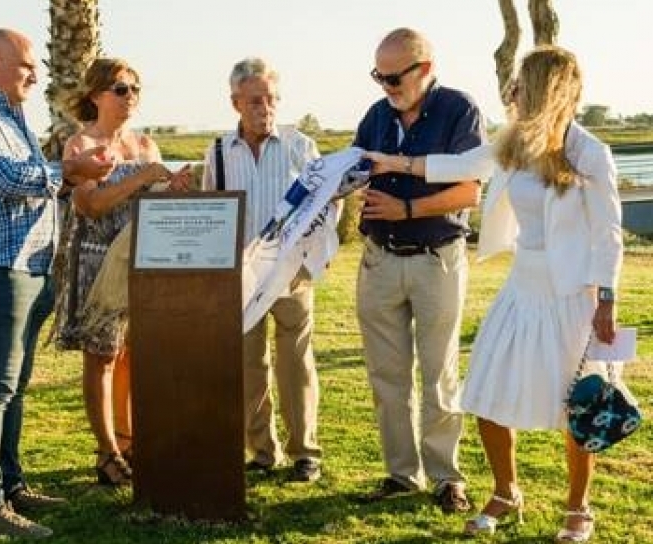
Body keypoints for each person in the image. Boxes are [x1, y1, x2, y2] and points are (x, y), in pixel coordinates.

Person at [365, 45, 622, 543]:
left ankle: (579, 508)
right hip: (521, 289)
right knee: (486, 393)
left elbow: (608, 233)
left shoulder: (589, 152)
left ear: (545, 88)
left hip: (573, 295)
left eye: (521, 83)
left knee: (579, 406)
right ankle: (506, 492)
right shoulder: (512, 143)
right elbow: (456, 164)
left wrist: (607, 300)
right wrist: (393, 161)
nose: (512, 91)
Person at [0, 29, 114, 538]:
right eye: (27, 66)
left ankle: (11, 486)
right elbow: (8, 179)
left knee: (11, 391)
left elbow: (31, 185)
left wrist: (67, 176)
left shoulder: (10, 118)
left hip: (27, 271)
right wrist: (70, 170)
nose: (36, 76)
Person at [350, 27, 484, 512]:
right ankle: (402, 475)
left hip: (436, 259)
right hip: (378, 260)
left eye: (393, 78)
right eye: (379, 77)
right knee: (387, 377)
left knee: (439, 372)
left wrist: (406, 210)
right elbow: (355, 168)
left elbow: (470, 190)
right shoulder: (376, 115)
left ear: (424, 69)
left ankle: (447, 478)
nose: (385, 87)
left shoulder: (459, 110)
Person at [53, 58, 191, 486]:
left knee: (134, 355)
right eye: (120, 88)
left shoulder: (146, 145)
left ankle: (131, 442)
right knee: (102, 357)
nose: (130, 96)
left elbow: (157, 204)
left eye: (135, 88)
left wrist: (173, 187)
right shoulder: (80, 144)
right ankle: (107, 452)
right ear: (96, 95)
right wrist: (144, 177)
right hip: (96, 260)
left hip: (142, 260)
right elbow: (90, 205)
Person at [202, 57, 323, 483]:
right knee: (248, 366)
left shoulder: (301, 147)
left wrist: (311, 256)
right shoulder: (218, 152)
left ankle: (305, 452)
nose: (265, 107)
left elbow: (326, 205)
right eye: (255, 100)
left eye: (271, 98)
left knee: (295, 363)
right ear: (235, 103)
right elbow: (212, 210)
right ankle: (263, 452)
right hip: (240, 277)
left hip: (291, 274)